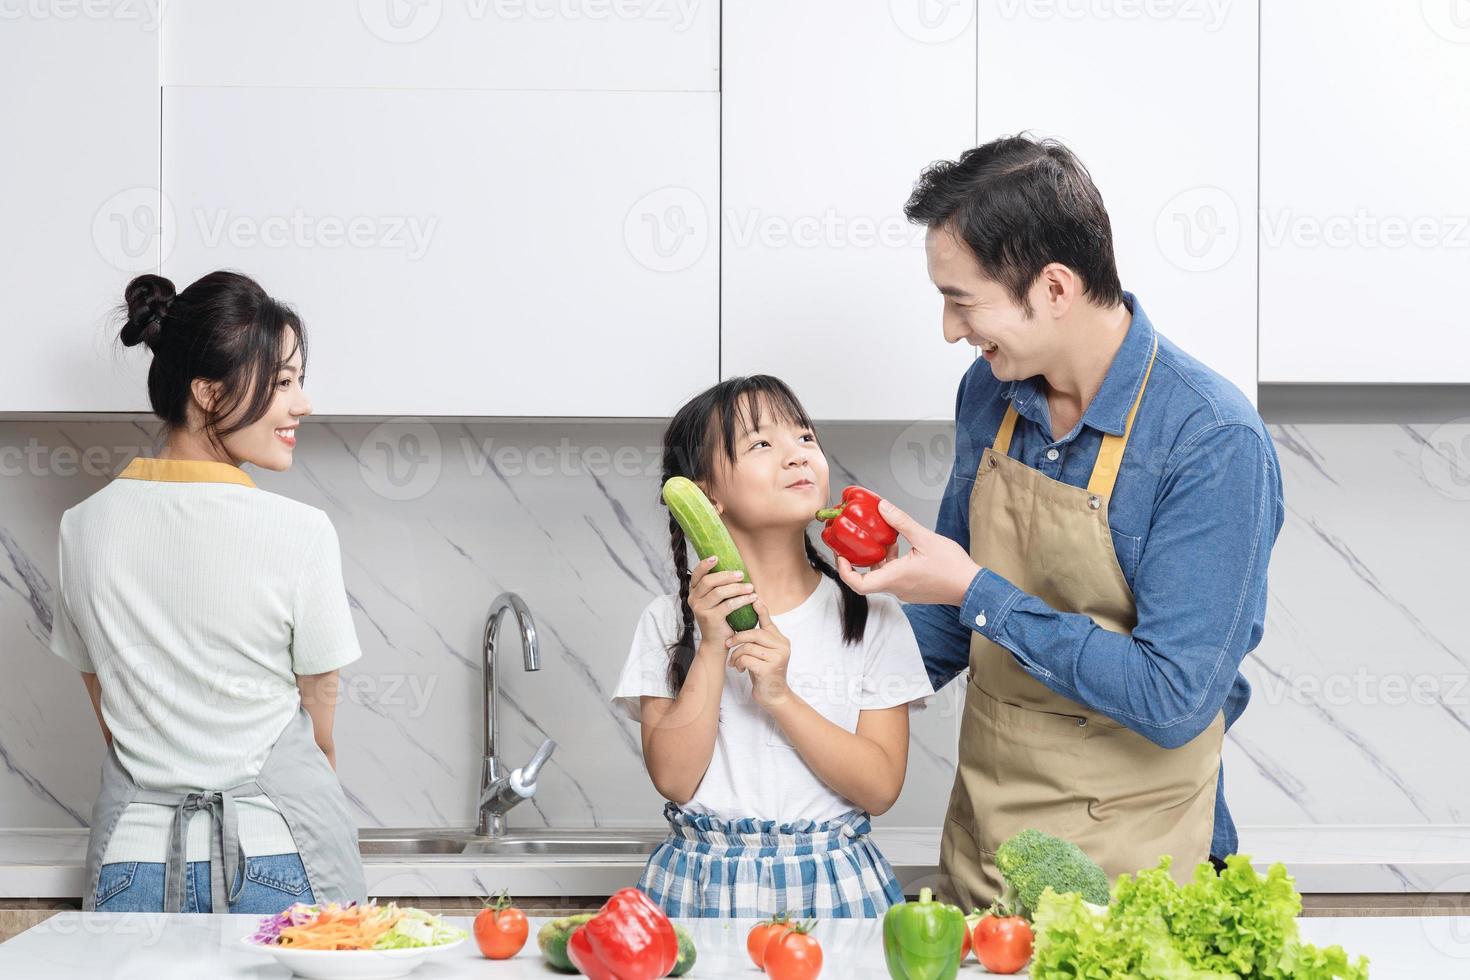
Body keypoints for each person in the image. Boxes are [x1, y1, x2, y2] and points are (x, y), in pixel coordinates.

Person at [838, 135, 1285, 911]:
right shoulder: (990, 394)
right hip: (988, 860)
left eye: (962, 300)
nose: (950, 330)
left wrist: (976, 590)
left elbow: (1174, 698)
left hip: (1142, 883)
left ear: (1053, 287)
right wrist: (807, 672)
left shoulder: (1210, 440)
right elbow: (949, 625)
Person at [50, 271, 366, 913]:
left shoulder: (82, 528)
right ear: (207, 391)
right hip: (277, 851)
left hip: (131, 862)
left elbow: (110, 717)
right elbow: (320, 735)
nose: (301, 403)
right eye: (282, 382)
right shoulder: (300, 533)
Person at [612, 376, 934, 917]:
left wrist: (781, 696)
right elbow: (673, 779)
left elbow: (879, 788)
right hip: (699, 886)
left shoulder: (872, 616)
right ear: (705, 493)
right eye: (762, 444)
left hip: (836, 884)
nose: (796, 456)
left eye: (805, 438)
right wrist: (712, 643)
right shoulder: (668, 621)